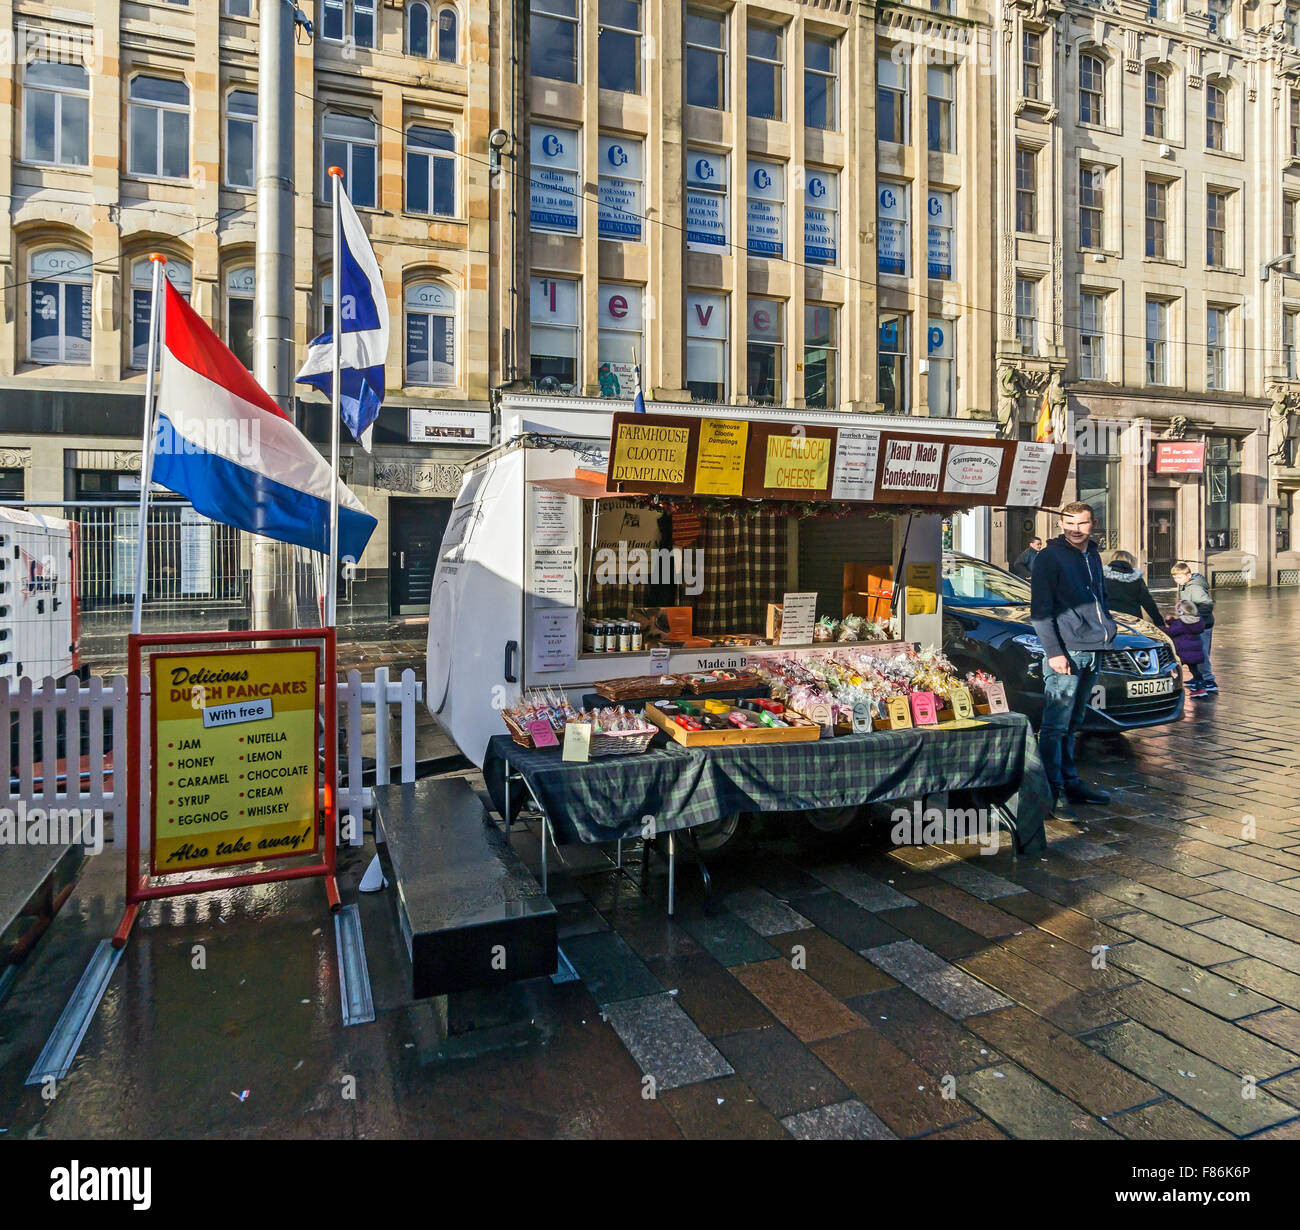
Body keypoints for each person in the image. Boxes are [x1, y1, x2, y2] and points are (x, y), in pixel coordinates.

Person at [1030, 502, 1118, 806]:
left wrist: (1108, 626)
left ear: (1092, 524)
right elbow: (1040, 611)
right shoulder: (1049, 557)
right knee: (1055, 725)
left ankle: (1070, 781)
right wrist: (1054, 652)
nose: (1075, 530)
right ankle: (1051, 791)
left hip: (1094, 649)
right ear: (1060, 524)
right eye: (1069, 523)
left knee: (1074, 721)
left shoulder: (1092, 553)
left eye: (1081, 524)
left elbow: (1100, 595)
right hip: (1068, 651)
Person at [1170, 562, 1217, 692]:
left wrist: (1195, 618)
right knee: (1195, 651)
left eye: (1179, 577)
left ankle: (1209, 680)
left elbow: (1206, 605)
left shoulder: (1195, 587)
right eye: (1175, 578)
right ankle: (1199, 677)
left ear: (1188, 575)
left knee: (1201, 653)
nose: (1177, 580)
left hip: (1202, 624)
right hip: (1193, 624)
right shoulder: (1185, 585)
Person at [1102, 550, 1165, 627]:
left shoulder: (1102, 578)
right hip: (1133, 619)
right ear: (1131, 561)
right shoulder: (1136, 579)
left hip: (1109, 618)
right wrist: (1159, 622)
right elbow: (1148, 602)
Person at [1165, 599, 1208, 697]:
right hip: (1194, 653)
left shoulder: (1182, 624)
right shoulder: (1196, 621)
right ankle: (1201, 688)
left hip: (1183, 653)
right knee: (1195, 670)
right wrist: (1171, 621)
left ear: (1181, 611)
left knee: (1174, 670)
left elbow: (1171, 631)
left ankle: (1174, 688)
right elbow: (1177, 626)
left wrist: (1159, 627)